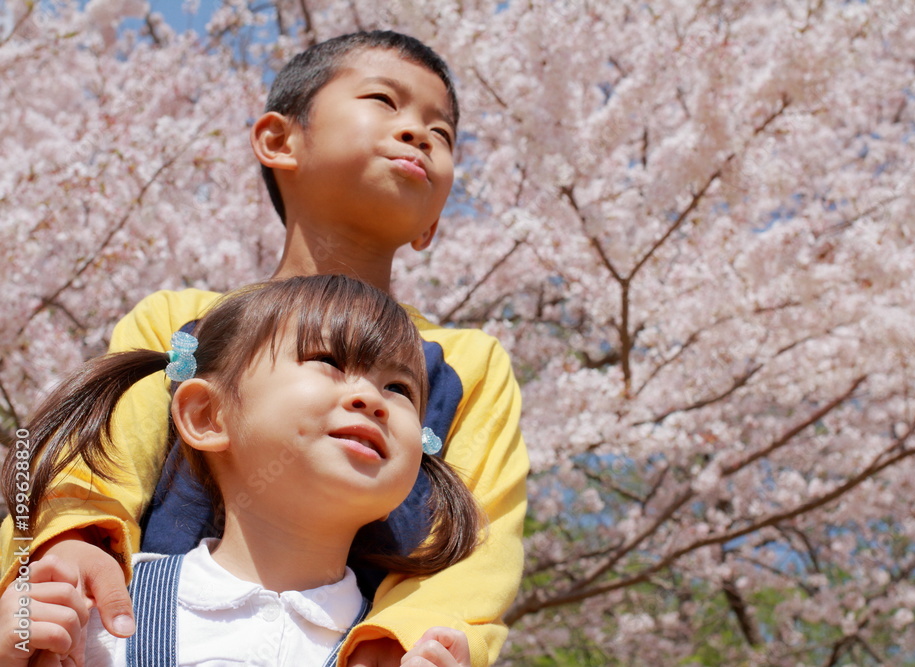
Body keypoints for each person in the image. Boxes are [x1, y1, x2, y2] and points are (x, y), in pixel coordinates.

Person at [0, 30, 529, 667]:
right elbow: (88, 454)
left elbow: (476, 546)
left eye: (441, 134)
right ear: (279, 140)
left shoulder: (466, 364)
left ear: (433, 222)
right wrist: (70, 541)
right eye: (385, 101)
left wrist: (405, 642)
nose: (418, 132)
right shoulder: (181, 321)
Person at [0, 274, 484, 667]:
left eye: (399, 388)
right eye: (327, 360)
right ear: (208, 417)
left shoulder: (392, 652)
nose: (372, 399)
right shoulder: (100, 614)